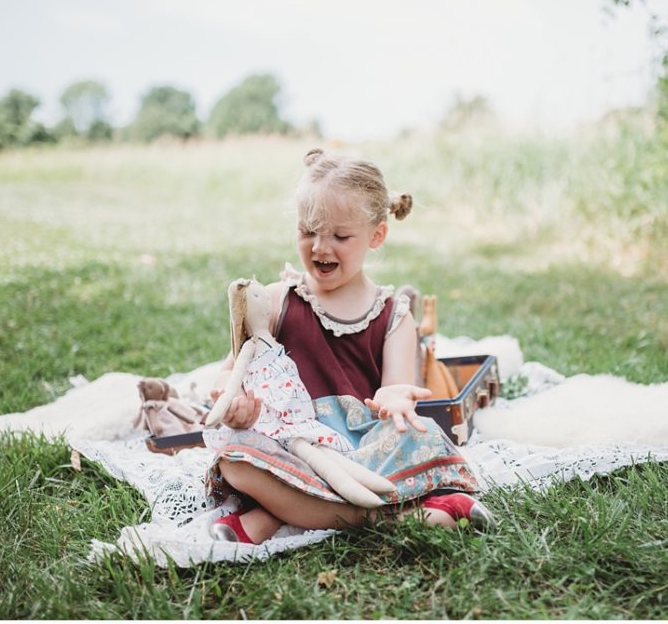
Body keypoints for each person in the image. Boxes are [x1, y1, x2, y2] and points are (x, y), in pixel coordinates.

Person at [203, 147, 494, 544]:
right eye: (308, 232)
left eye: (339, 236)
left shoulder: (394, 315)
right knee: (235, 458)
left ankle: (268, 517)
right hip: (292, 442)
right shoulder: (275, 300)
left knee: (420, 435)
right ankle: (399, 518)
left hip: (362, 447)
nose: (320, 248)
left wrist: (395, 397)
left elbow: (394, 387)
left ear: (377, 236)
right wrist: (234, 403)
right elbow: (230, 370)